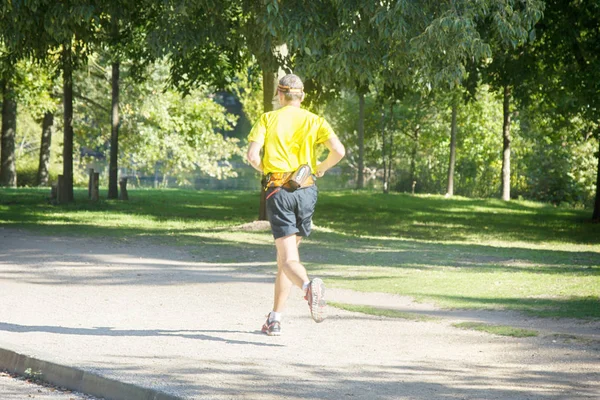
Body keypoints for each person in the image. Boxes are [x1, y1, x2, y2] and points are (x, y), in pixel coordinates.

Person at [246, 74, 345, 336]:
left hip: (279, 190)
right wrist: (320, 168)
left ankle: (308, 287)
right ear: (302, 95)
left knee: (288, 259)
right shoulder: (315, 120)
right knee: (285, 260)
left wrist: (267, 171)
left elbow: (252, 155)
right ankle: (275, 319)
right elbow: (339, 151)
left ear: (280, 95)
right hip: (306, 190)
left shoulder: (268, 118)